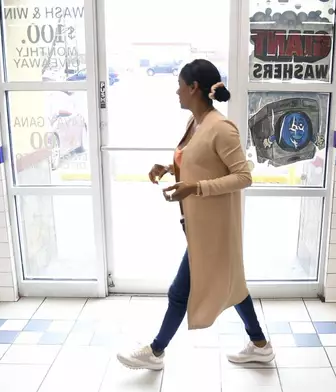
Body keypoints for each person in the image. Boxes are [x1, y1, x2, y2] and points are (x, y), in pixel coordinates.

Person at [116, 59, 274, 370]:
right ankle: (260, 345)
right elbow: (199, 160)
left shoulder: (222, 127)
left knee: (180, 291)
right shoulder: (196, 123)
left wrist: (195, 187)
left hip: (214, 228)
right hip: (200, 226)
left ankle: (155, 352)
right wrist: (169, 167)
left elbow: (243, 177)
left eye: (179, 85)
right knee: (235, 285)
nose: (176, 91)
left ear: (193, 88)